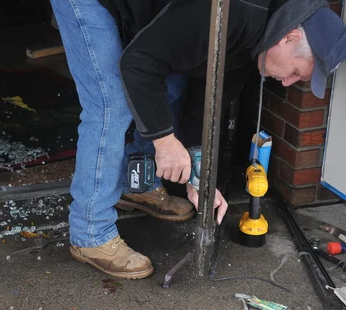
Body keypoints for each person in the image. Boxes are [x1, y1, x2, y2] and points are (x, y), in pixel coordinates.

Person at [49, 0, 346, 279]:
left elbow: (204, 103)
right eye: (295, 72)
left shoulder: (255, 44)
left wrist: (198, 174)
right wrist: (164, 143)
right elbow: (137, 64)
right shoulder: (234, 15)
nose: (287, 82)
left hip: (149, 11)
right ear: (290, 38)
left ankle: (135, 185)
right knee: (110, 103)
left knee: (172, 84)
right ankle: (91, 232)